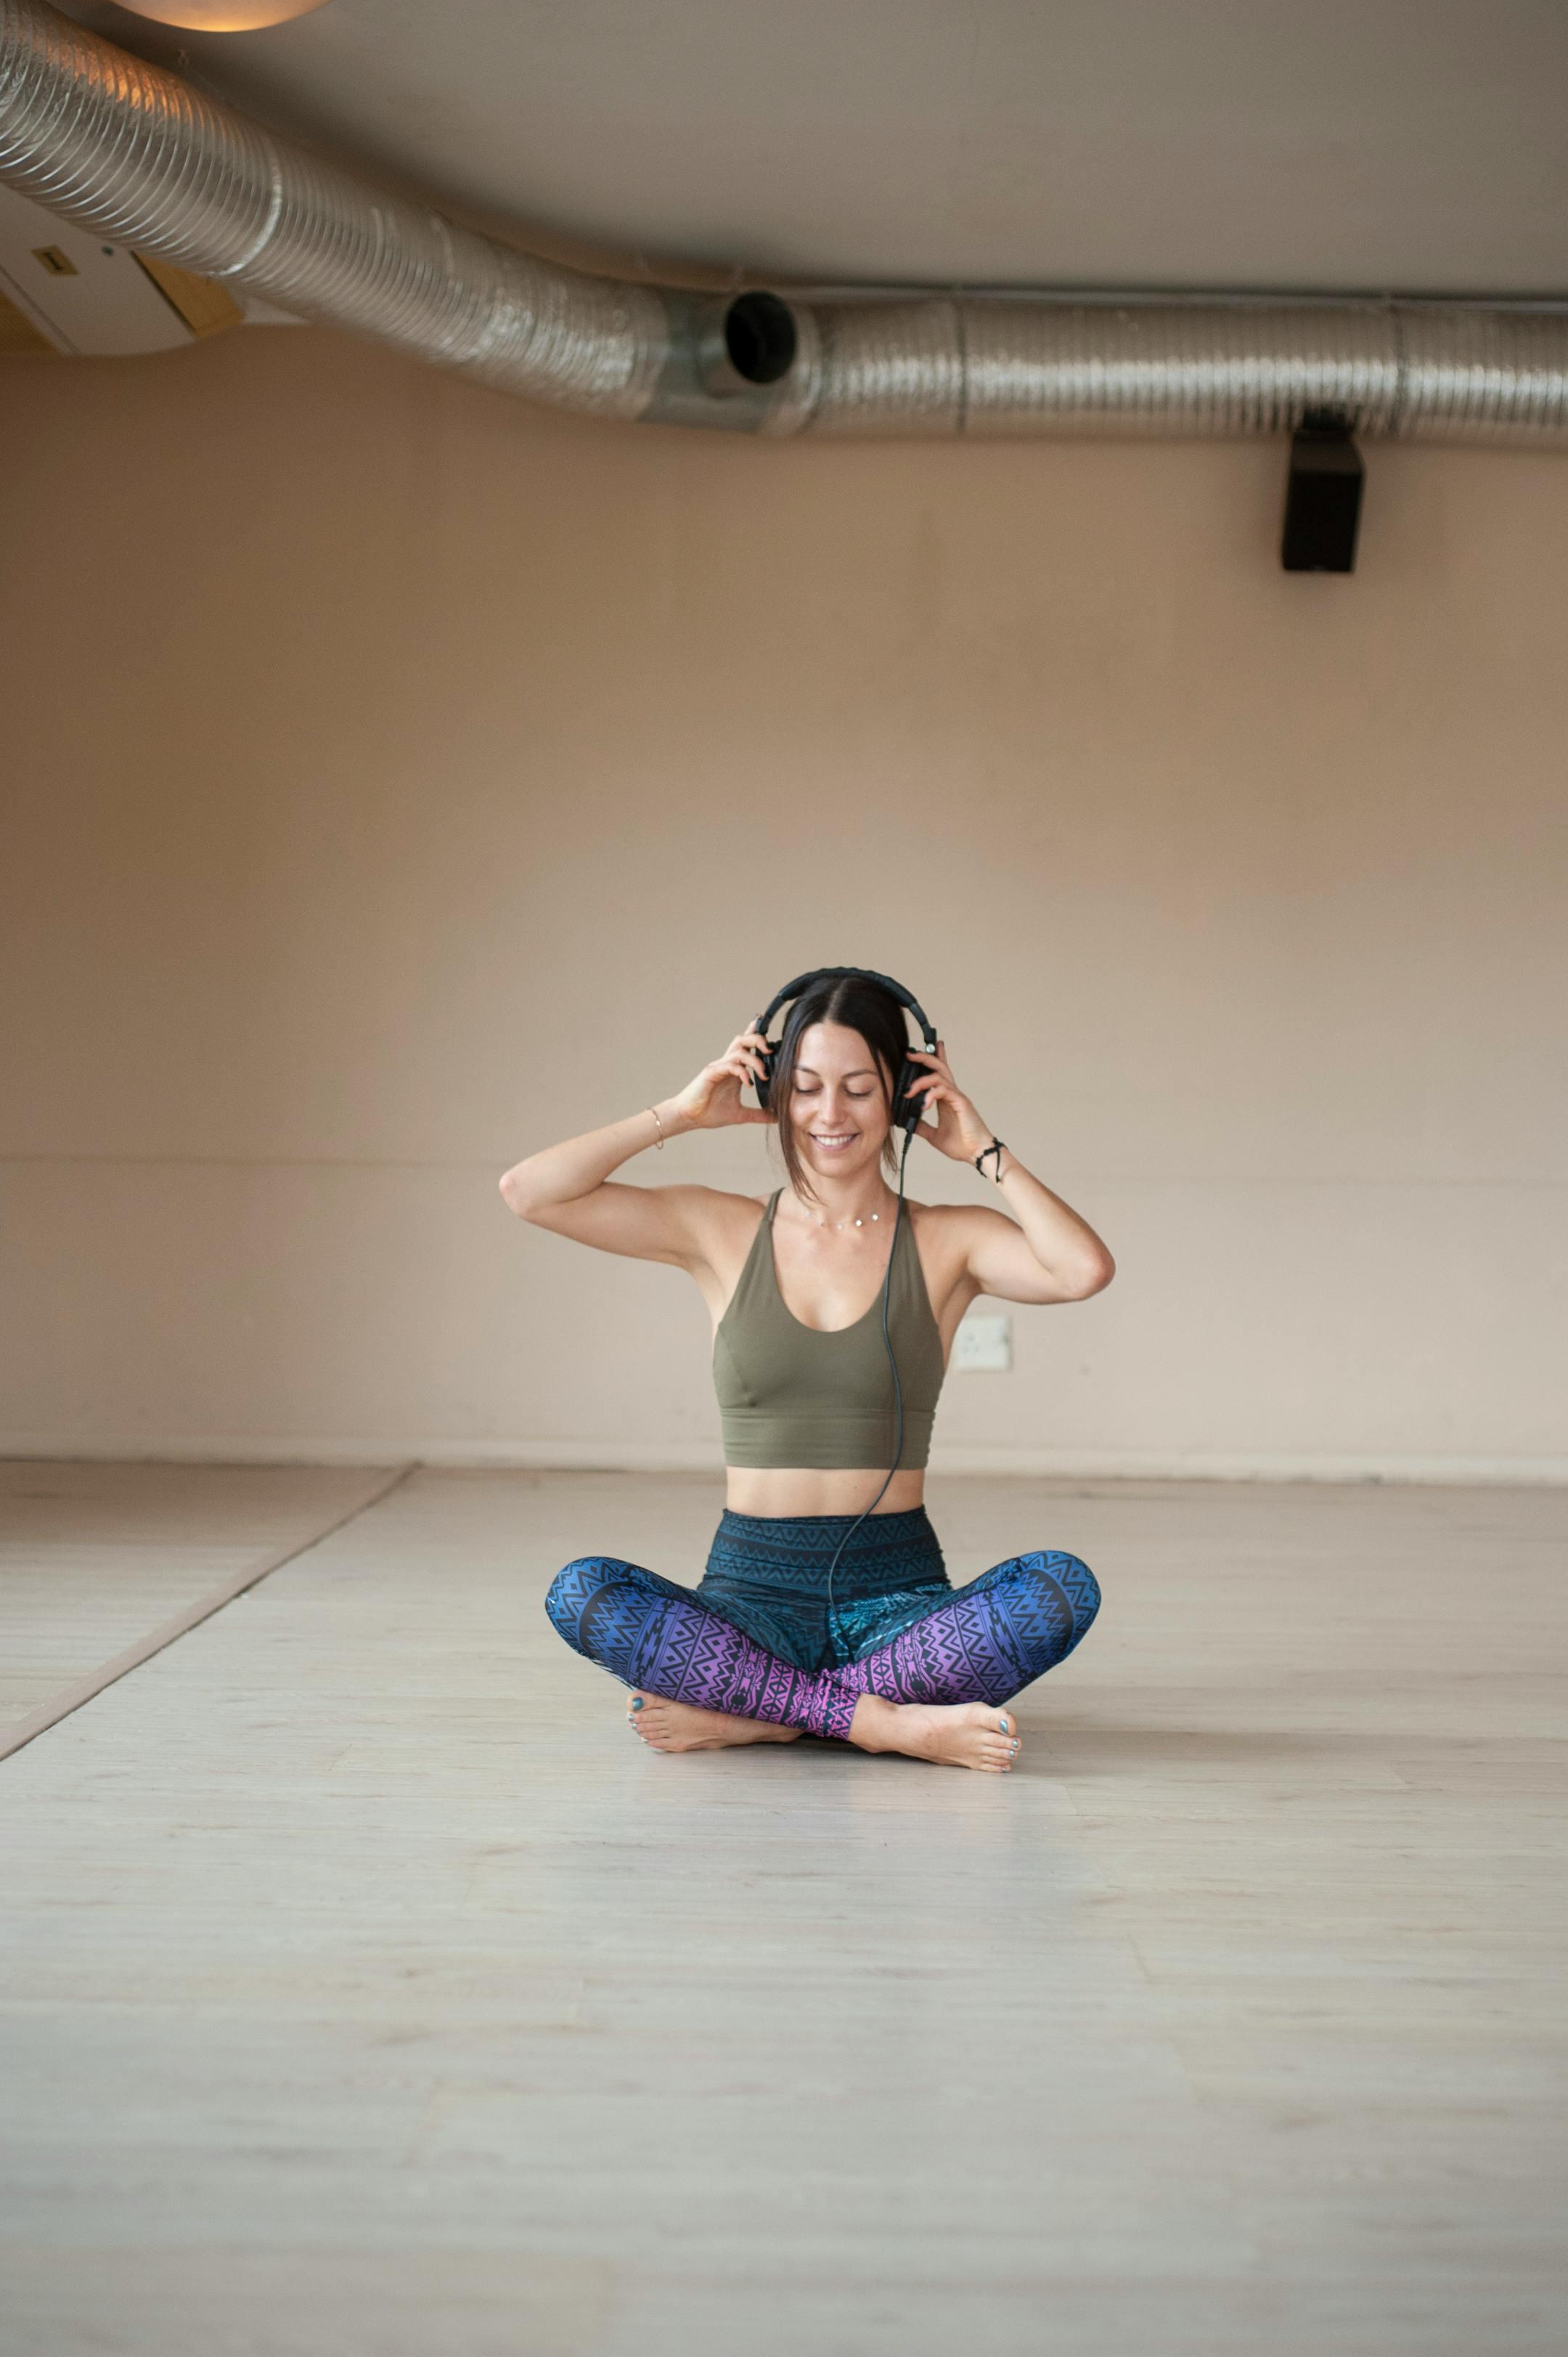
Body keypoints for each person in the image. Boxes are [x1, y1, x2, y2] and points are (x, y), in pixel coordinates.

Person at [501, 968, 1114, 1772]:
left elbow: (1082, 1270)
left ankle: (762, 1713)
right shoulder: (716, 1227)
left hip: (899, 1598)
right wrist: (681, 1115)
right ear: (776, 1093)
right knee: (581, 1594)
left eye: (860, 1089)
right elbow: (530, 1192)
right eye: (808, 1088)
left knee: (1060, 1589)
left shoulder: (948, 1240)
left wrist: (983, 1152)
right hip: (749, 1599)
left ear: (902, 1097)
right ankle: (883, 1721)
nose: (831, 1114)